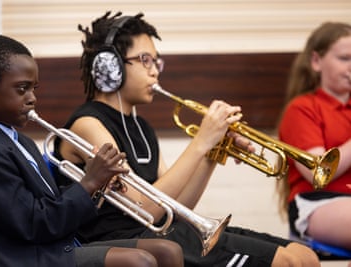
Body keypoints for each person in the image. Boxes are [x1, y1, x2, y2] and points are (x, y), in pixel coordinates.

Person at [54, 11, 320, 267]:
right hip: (125, 243)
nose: (155, 71)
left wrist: (213, 152)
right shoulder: (87, 124)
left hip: (162, 234)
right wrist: (201, 141)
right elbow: (143, 208)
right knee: (288, 262)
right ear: (109, 66)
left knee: (304, 256)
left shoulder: (142, 128)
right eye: (145, 60)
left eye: (156, 61)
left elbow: (178, 209)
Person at [0, 34, 184, 267]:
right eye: (22, 89)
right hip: (19, 257)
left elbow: (52, 205)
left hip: (48, 246)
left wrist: (98, 185)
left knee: (168, 251)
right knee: (139, 262)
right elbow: (34, 223)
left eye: (34, 89)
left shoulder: (20, 142)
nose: (32, 98)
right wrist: (89, 182)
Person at [276, 22, 351, 257]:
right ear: (316, 62)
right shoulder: (302, 108)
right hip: (318, 202)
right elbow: (318, 172)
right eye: (345, 58)